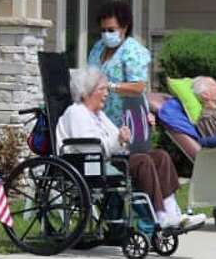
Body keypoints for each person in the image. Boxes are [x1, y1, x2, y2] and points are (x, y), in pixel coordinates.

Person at [57, 67, 204, 231]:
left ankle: (172, 212)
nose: (107, 93)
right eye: (102, 89)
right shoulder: (76, 113)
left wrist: (124, 137)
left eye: (107, 89)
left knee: (160, 156)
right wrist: (118, 140)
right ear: (87, 92)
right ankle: (160, 215)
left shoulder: (99, 115)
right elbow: (88, 147)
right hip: (90, 165)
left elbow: (118, 141)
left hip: (108, 160)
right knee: (143, 161)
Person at [87, 0, 152, 124]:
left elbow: (138, 87)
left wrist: (110, 86)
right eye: (103, 30)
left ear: (124, 27)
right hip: (98, 120)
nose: (106, 34)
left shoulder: (133, 51)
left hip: (126, 122)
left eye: (111, 30)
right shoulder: (98, 47)